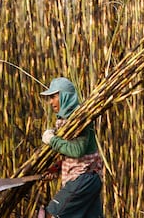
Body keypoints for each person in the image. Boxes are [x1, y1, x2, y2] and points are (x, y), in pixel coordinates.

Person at [39, 77, 103, 218]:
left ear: (65, 96)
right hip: (89, 179)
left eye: (54, 97)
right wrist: (57, 167)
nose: (51, 102)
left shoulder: (79, 119)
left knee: (50, 215)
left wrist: (52, 140)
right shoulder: (67, 121)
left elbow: (77, 150)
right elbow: (80, 155)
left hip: (84, 178)